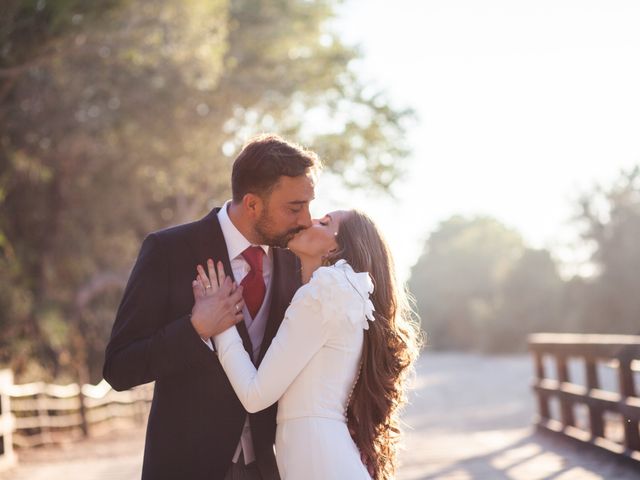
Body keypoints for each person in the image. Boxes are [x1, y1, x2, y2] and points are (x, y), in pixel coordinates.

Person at [103, 134, 320, 480]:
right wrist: (194, 330)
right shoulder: (169, 251)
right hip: (186, 467)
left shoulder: (296, 262)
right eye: (295, 208)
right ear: (252, 205)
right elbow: (119, 367)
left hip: (269, 468)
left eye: (309, 205)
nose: (307, 220)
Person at [192, 210, 421, 480]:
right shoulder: (340, 293)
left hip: (318, 459)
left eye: (324, 223)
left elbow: (255, 396)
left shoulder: (323, 293)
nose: (307, 220)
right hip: (319, 453)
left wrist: (221, 322)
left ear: (336, 246)